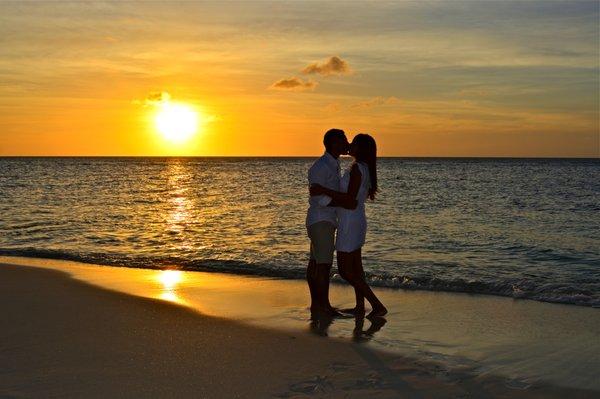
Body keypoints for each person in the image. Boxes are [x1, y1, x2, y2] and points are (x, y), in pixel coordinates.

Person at [310, 134, 387, 318]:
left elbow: (350, 201)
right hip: (356, 219)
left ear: (361, 149)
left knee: (345, 270)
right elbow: (352, 200)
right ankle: (360, 306)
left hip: (349, 221)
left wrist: (322, 190)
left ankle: (376, 304)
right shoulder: (364, 168)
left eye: (354, 143)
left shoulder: (357, 170)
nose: (350, 145)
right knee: (357, 268)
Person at [305, 128, 355, 316]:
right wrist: (343, 200)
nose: (347, 143)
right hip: (321, 220)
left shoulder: (333, 164)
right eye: (344, 140)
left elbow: (323, 193)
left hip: (323, 220)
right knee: (323, 265)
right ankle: (323, 306)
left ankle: (317, 304)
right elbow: (319, 198)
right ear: (334, 143)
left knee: (315, 262)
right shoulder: (320, 167)